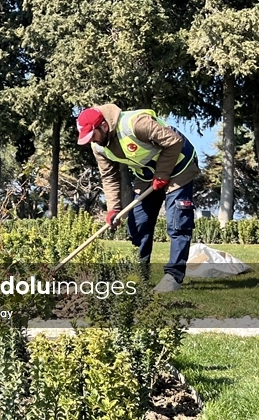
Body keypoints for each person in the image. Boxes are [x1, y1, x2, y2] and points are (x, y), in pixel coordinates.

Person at [76, 104, 200, 292]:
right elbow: (109, 176)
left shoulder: (136, 124)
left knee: (177, 223)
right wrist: (113, 209)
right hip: (148, 175)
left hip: (179, 166)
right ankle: (139, 275)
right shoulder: (98, 146)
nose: (91, 141)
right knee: (138, 224)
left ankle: (173, 276)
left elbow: (174, 142)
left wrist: (163, 174)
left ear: (103, 126)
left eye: (92, 135)